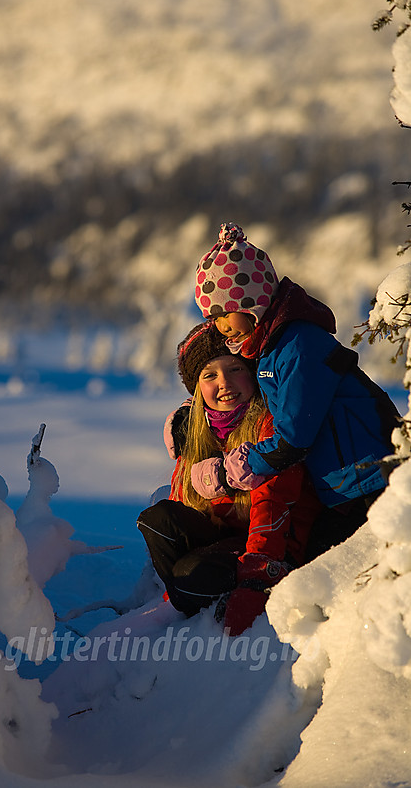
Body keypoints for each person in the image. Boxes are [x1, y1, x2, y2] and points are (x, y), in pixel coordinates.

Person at [194, 223, 400, 558]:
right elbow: (258, 405)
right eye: (212, 318)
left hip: (370, 479)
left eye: (224, 313)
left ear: (253, 304)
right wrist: (188, 416)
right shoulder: (271, 349)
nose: (219, 325)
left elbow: (293, 438)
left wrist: (231, 471)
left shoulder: (298, 347)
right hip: (343, 488)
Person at [137, 322, 322, 635]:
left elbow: (272, 503)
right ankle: (187, 597)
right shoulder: (197, 430)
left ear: (251, 374)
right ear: (198, 388)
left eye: (235, 369)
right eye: (210, 375)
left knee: (189, 575)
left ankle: (195, 599)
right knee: (157, 519)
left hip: (274, 546)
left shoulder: (271, 423)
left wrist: (256, 576)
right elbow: (184, 501)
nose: (224, 383)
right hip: (226, 539)